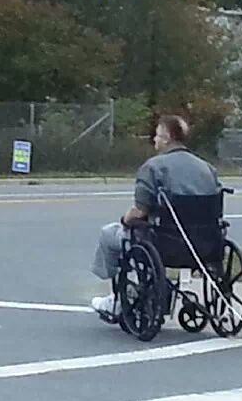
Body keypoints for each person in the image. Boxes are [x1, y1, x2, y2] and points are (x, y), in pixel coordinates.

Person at [91, 114, 221, 316]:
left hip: (164, 243)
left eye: (158, 136)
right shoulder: (208, 169)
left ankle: (118, 298)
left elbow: (139, 211)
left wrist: (125, 220)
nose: (155, 139)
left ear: (168, 137)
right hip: (205, 245)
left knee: (110, 234)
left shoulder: (153, 167)